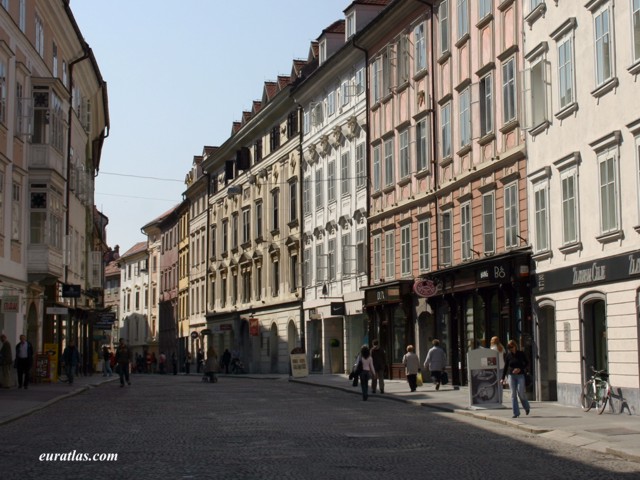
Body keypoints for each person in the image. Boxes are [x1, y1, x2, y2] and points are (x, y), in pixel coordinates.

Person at [502, 340, 531, 418]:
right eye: (508, 347)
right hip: (511, 376)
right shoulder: (508, 355)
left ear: (515, 346)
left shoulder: (521, 354)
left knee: (521, 393)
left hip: (520, 375)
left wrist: (520, 369)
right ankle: (516, 413)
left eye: (511, 347)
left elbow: (527, 363)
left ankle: (527, 407)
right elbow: (505, 367)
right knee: (513, 394)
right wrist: (502, 378)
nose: (510, 349)